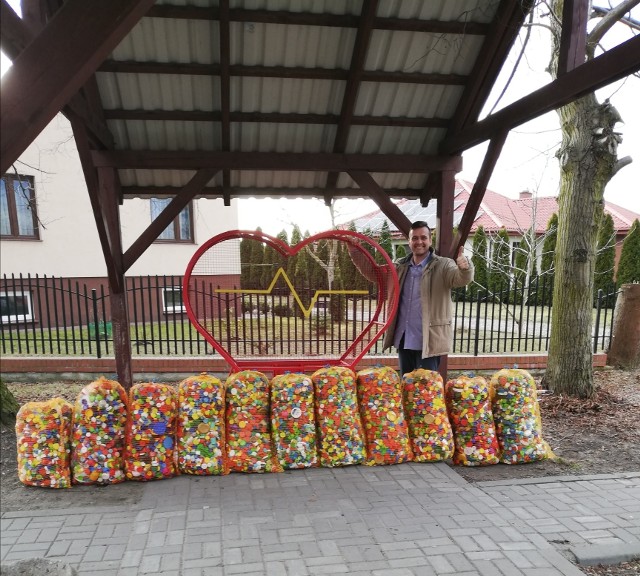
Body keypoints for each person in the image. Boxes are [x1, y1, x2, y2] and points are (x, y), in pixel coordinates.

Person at [386, 220, 474, 375]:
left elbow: (460, 279)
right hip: (404, 339)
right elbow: (375, 275)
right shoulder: (400, 266)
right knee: (406, 388)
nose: (419, 241)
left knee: (427, 391)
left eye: (423, 237)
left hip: (429, 342)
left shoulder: (443, 265)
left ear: (430, 240)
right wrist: (354, 252)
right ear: (409, 241)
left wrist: (465, 268)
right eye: (415, 238)